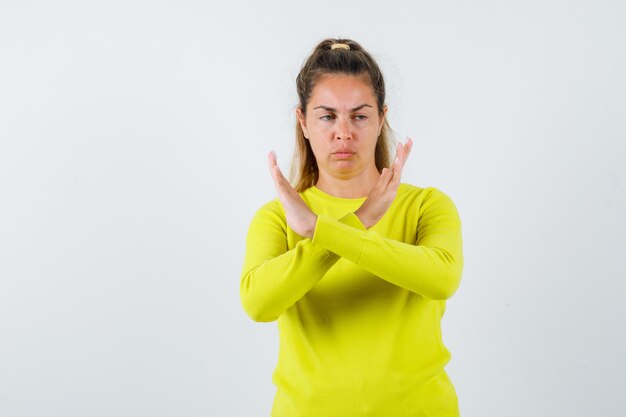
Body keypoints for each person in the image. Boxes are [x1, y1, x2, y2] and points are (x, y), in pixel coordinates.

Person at [240, 38, 464, 417]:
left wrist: (322, 231)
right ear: (304, 123)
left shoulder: (427, 205)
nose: (343, 132)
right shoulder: (280, 216)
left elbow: (441, 278)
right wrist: (358, 223)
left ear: (380, 120)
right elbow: (259, 304)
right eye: (327, 116)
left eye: (359, 116)